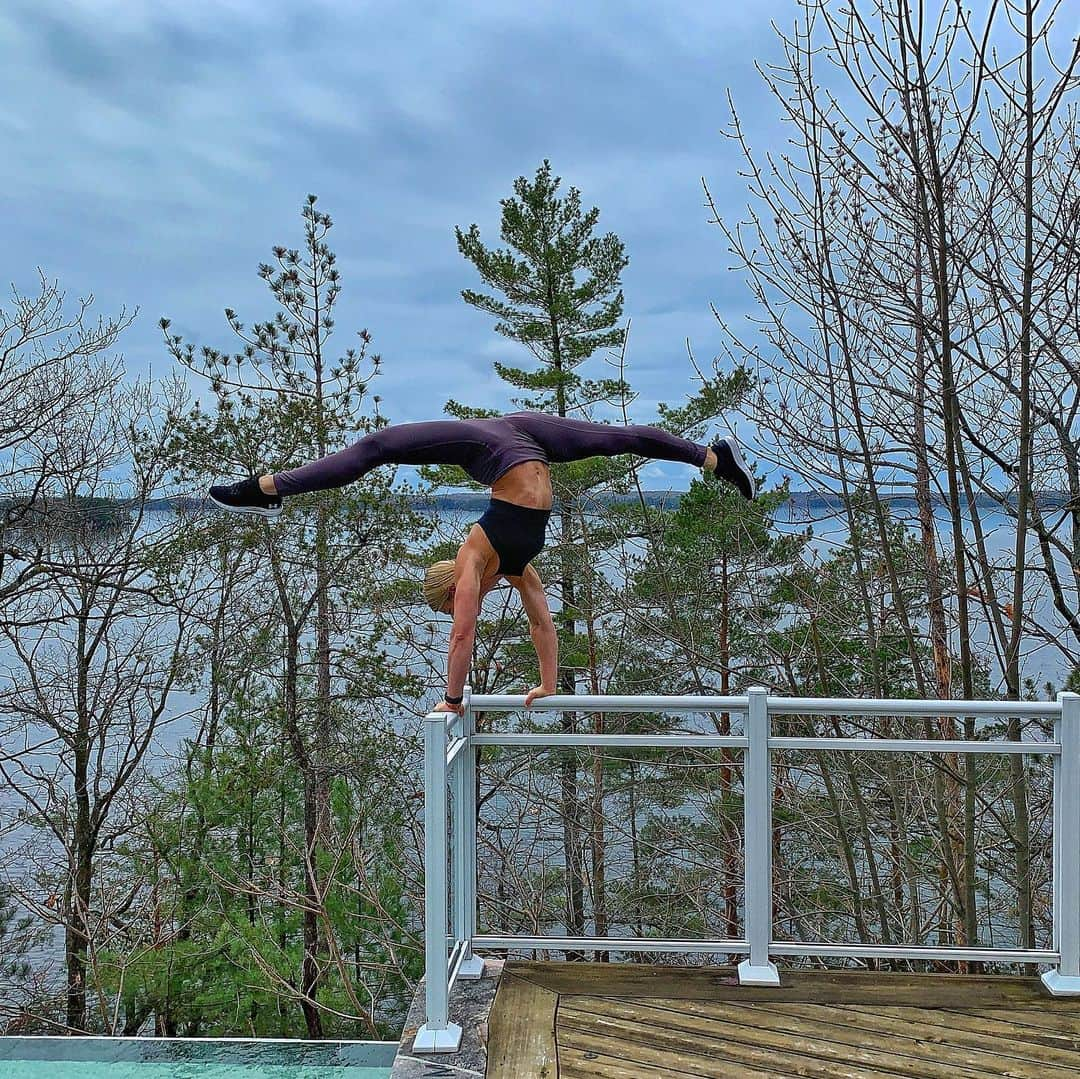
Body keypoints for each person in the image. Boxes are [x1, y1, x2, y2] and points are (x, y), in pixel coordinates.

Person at [208, 411, 755, 715]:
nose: (469, 604)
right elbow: (541, 619)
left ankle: (264, 487)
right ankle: (713, 459)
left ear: (451, 591)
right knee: (621, 440)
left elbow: (463, 637)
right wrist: (547, 683)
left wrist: (451, 701)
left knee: (375, 446)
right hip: (525, 439)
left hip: (482, 442)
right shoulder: (515, 566)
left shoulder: (474, 557)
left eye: (455, 604)